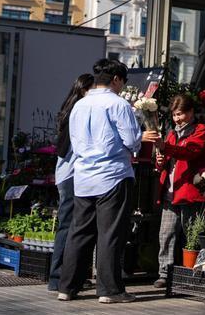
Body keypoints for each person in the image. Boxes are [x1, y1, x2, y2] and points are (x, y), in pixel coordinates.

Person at [58, 59, 159, 303]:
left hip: (83, 176)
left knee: (79, 232)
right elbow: (132, 142)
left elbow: (73, 140)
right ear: (116, 79)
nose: (123, 86)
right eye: (123, 81)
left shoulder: (80, 105)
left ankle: (67, 286)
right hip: (112, 175)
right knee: (110, 234)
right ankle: (110, 290)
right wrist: (140, 137)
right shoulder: (118, 104)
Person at [154, 94, 205, 288]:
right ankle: (164, 273)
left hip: (189, 192)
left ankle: (194, 273)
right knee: (166, 235)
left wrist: (166, 148)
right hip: (170, 191)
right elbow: (166, 157)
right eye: (174, 115)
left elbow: (190, 152)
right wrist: (160, 161)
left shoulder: (201, 131)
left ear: (191, 112)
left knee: (192, 235)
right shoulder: (172, 133)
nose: (177, 119)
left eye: (180, 114)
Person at [48, 74, 93, 292]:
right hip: (72, 175)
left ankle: (62, 276)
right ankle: (58, 277)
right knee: (69, 226)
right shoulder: (80, 111)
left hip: (65, 174)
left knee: (68, 225)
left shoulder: (70, 109)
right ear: (85, 90)